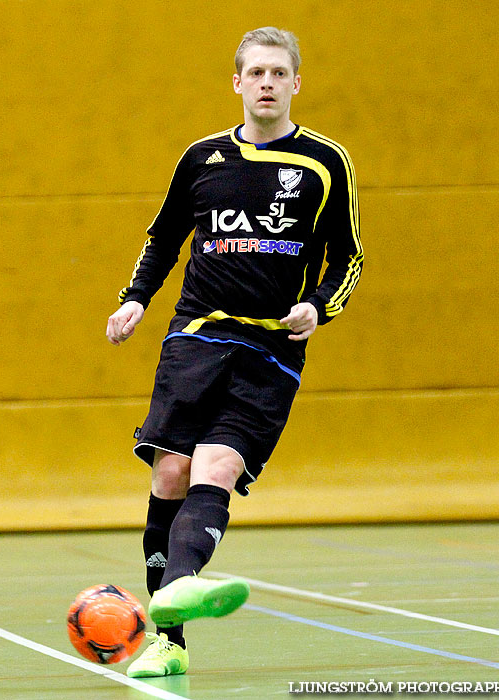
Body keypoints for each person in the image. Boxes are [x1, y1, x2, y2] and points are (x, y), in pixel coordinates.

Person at [106, 26, 363, 678]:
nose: (268, 83)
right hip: (196, 336)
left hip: (270, 352)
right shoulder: (202, 158)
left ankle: (175, 601)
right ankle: (171, 644)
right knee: (170, 475)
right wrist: (136, 298)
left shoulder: (326, 163)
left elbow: (349, 257)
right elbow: (164, 237)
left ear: (296, 83)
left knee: (215, 469)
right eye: (257, 73)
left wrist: (320, 306)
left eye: (280, 73)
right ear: (238, 83)